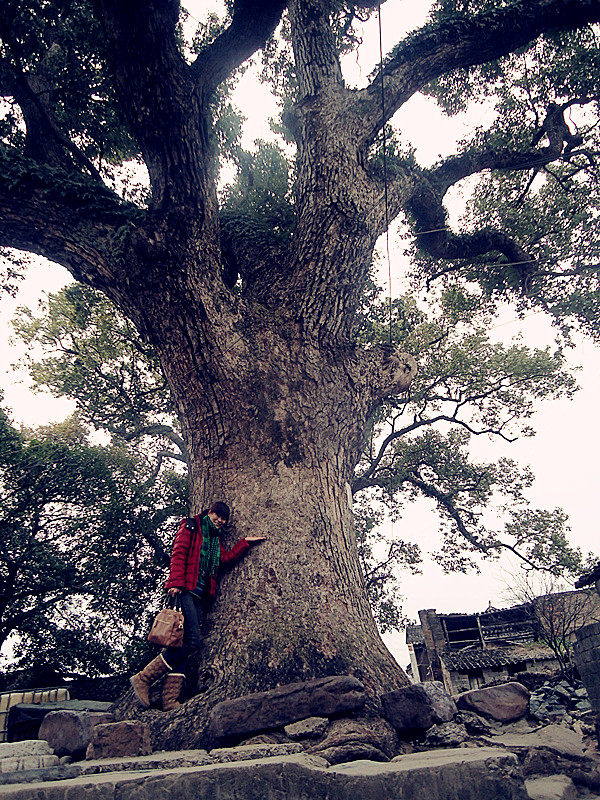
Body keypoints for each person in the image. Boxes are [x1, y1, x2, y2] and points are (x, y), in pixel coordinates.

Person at [130, 501, 265, 711]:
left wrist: (244, 543)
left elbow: (224, 560)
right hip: (185, 590)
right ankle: (144, 678)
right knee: (192, 642)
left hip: (200, 595)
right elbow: (179, 553)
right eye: (217, 516)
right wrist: (174, 583)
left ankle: (170, 700)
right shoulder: (191, 525)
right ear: (209, 513)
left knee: (179, 645)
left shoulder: (214, 539)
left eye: (223, 519)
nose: (220, 521)